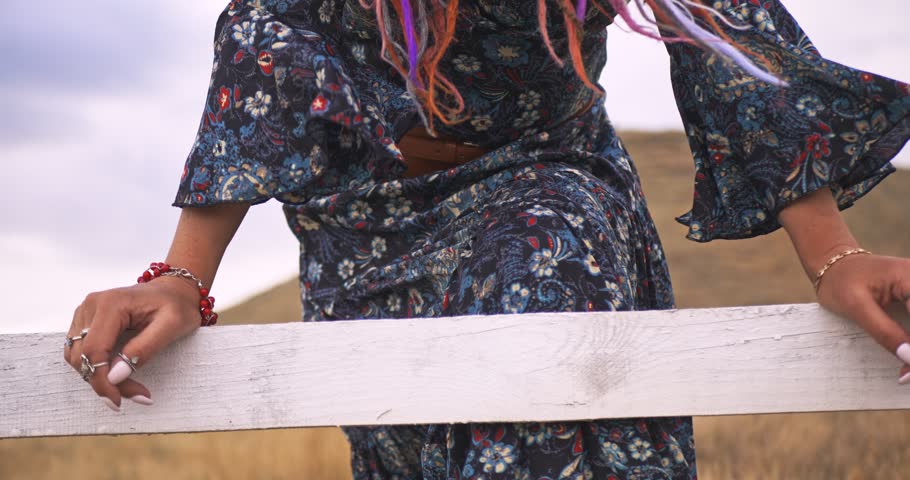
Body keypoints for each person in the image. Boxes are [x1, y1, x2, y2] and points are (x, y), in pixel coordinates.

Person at [64, 0, 910, 478]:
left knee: (543, 305)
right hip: (367, 225)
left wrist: (831, 253)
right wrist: (180, 276)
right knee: (412, 438)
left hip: (547, 182)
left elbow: (722, 28)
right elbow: (263, 38)